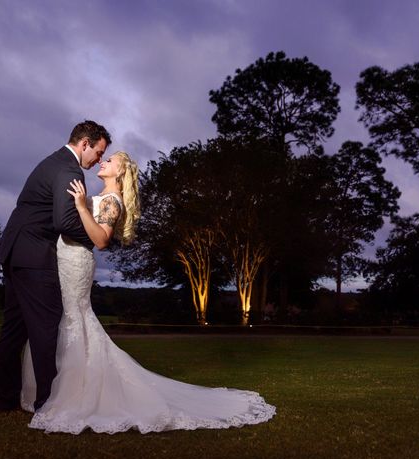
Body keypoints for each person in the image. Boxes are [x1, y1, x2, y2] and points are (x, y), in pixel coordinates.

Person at [20, 151, 276, 434]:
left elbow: (102, 240)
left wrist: (80, 206)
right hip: (65, 259)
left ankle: (76, 393)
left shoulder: (112, 201)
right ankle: (53, 388)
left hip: (77, 263)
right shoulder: (102, 195)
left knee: (74, 318)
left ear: (119, 173)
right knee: (62, 319)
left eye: (111, 160)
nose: (104, 161)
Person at [0, 121, 111, 412]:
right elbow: (64, 221)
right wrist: (97, 238)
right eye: (98, 152)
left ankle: (6, 398)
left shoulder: (52, 161)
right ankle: (47, 403)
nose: (98, 160)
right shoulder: (69, 170)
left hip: (14, 251)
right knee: (45, 327)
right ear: (84, 144)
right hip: (33, 256)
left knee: (14, 329)